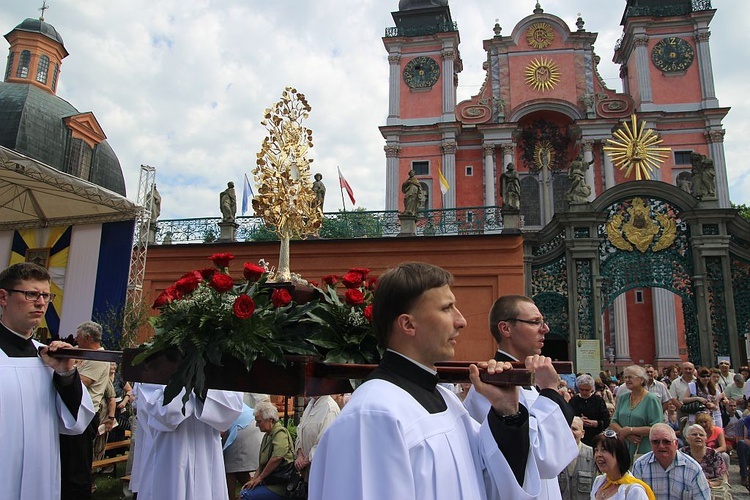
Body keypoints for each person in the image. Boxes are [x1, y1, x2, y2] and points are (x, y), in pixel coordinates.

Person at [309, 262, 578, 499]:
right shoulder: (374, 414)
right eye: (447, 308)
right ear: (408, 325)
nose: (461, 321)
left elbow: (492, 481)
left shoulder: (449, 401)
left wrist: (507, 414)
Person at [462, 293, 577, 499]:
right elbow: (542, 459)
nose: (545, 329)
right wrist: (550, 391)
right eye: (535, 322)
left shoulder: (530, 381)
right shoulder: (490, 386)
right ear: (506, 328)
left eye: (543, 322)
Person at [0, 262, 95, 499]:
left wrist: (66, 376)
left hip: (40, 474)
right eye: (31, 294)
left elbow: (77, 423)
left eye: (45, 295)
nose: (41, 303)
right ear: (3, 297)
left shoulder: (50, 357)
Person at [132, 383, 243, 500]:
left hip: (206, 452)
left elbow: (232, 408)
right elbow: (164, 413)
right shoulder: (150, 372)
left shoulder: (218, 370)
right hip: (168, 456)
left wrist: (202, 387)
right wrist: (187, 380)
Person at [60, 320, 115, 499]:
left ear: (88, 337)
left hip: (85, 414)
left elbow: (81, 381)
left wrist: (65, 370)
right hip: (73, 411)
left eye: (78, 336)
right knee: (68, 462)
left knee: (78, 465)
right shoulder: (86, 354)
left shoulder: (99, 357)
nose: (75, 339)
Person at [632, 423, 710, 499]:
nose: (661, 446)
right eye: (656, 442)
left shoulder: (693, 469)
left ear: (676, 444)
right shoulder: (640, 466)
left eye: (666, 442)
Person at [241, 400, 295, 500]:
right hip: (270, 482)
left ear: (270, 420)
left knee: (247, 495)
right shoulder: (267, 435)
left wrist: (260, 478)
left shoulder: (280, 433)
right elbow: (262, 464)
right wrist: (254, 479)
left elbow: (277, 457)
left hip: (280, 486)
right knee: (244, 491)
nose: (257, 425)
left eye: (259, 421)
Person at [609, 365, 663, 460]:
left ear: (641, 380)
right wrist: (626, 434)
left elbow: (656, 427)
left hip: (644, 450)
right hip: (623, 448)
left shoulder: (651, 400)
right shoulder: (623, 398)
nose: (627, 380)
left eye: (630, 377)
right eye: (625, 377)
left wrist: (631, 430)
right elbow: (613, 422)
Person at [589, 429, 654, 500]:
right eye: (596, 450)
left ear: (619, 454)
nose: (598, 455)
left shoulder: (634, 490)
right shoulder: (599, 481)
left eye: (604, 450)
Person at [294, 395, 340, 485]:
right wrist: (300, 455)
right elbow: (300, 430)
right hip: (307, 472)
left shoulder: (330, 408)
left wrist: (306, 460)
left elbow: (325, 442)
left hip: (321, 473)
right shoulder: (311, 404)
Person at [681, 424, 732, 499]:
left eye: (701, 435)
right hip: (687, 488)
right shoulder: (682, 454)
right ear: (687, 438)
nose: (698, 436)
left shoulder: (714, 455)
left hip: (711, 489)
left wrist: (707, 484)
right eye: (694, 434)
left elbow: (722, 479)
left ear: (706, 438)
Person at [223, 402, 259, 500]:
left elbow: (221, 432)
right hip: (253, 422)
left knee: (229, 468)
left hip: (242, 427)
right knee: (239, 469)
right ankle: (255, 494)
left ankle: (229, 497)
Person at [557, 417, 596, 500]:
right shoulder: (554, 456)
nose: (570, 432)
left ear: (582, 433)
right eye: (567, 429)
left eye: (574, 429)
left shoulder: (593, 455)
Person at [570, 373, 610, 446]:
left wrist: (595, 423)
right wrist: (579, 420)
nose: (584, 392)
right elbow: (568, 418)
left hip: (595, 437)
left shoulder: (598, 400)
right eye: (582, 389)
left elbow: (606, 420)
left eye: (587, 390)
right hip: (578, 439)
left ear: (591, 389)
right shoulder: (573, 401)